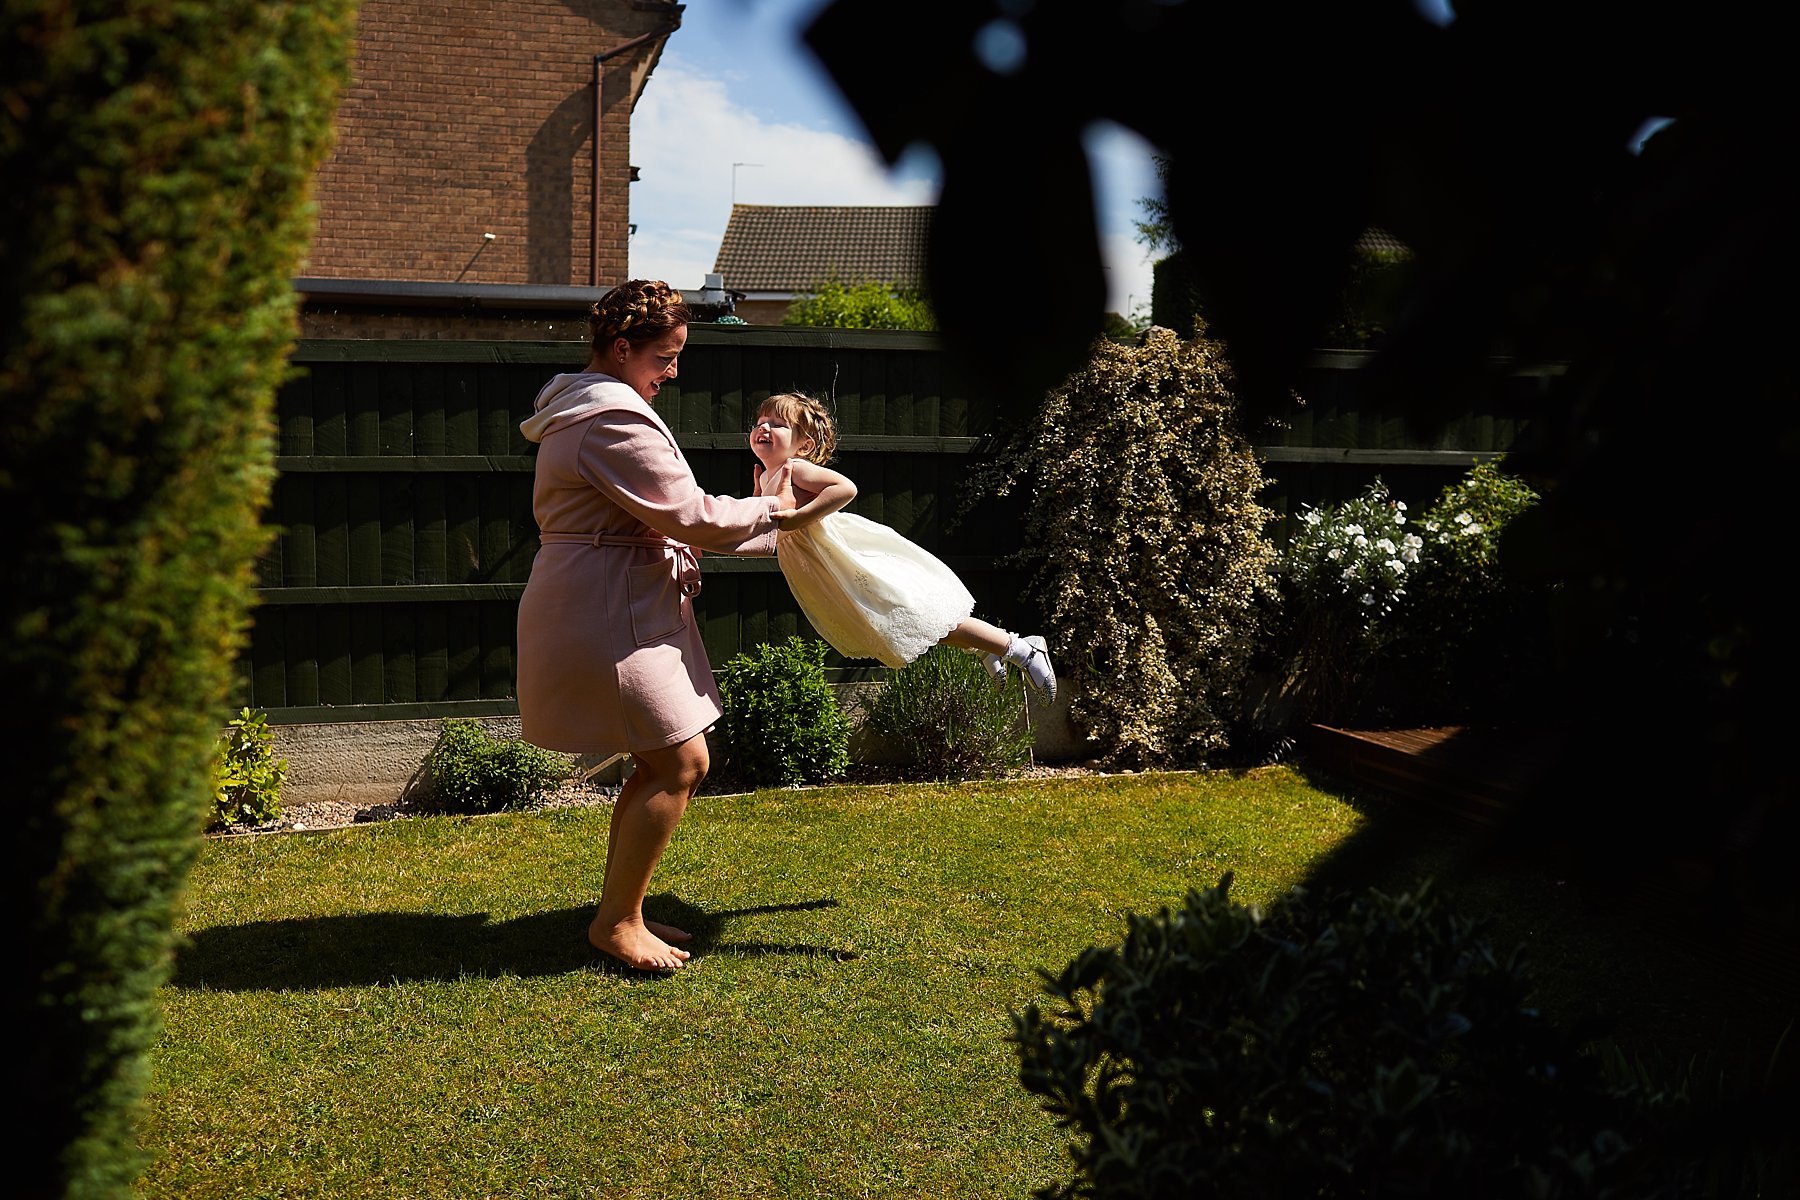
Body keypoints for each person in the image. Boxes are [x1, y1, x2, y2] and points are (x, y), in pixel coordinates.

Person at [516, 280, 794, 972]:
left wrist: (776, 533)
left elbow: (668, 518)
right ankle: (616, 923)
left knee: (663, 761)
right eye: (665, 357)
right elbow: (690, 516)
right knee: (679, 761)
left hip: (613, 597)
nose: (672, 372)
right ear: (621, 348)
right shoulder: (609, 418)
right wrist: (780, 512)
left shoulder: (590, 408)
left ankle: (624, 912)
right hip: (607, 607)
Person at [750, 390, 1056, 698]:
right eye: (760, 421)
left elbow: (844, 488)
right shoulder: (766, 477)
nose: (763, 427)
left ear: (804, 445)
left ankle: (1023, 649)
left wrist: (799, 517)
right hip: (824, 570)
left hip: (844, 558)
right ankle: (985, 645)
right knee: (902, 628)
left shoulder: (796, 468)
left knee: (911, 615)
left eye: (777, 424)